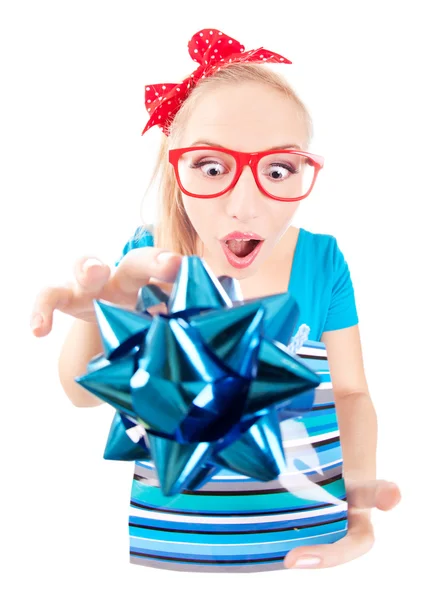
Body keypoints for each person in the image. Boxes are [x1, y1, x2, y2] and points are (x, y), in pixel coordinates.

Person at [30, 28, 401, 571]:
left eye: (278, 169)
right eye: (211, 167)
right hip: (173, 544)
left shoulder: (322, 261)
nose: (245, 206)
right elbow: (84, 395)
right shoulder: (144, 260)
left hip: (309, 539)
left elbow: (350, 393)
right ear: (176, 171)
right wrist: (94, 317)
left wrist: (360, 503)